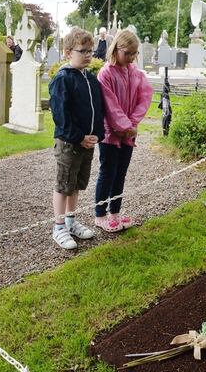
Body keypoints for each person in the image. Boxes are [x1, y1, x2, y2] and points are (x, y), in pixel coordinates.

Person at [48, 27, 106, 250]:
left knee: (76, 185)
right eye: (83, 51)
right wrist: (78, 137)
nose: (89, 55)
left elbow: (97, 110)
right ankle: (59, 226)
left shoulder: (91, 79)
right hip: (69, 143)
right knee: (64, 184)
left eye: (91, 51)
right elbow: (61, 115)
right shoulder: (63, 79)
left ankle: (71, 222)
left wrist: (96, 135)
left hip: (87, 143)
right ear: (68, 52)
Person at [94, 30, 154, 232]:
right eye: (127, 53)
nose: (131, 57)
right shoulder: (106, 73)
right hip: (111, 134)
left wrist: (133, 124)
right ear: (117, 49)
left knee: (121, 174)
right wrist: (124, 127)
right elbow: (110, 105)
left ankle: (115, 212)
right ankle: (100, 214)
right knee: (107, 173)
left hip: (128, 133)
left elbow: (144, 97)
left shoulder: (135, 72)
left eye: (134, 54)